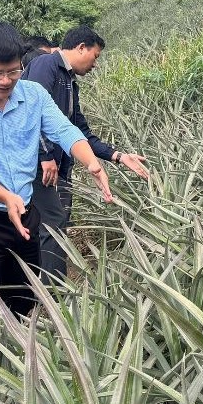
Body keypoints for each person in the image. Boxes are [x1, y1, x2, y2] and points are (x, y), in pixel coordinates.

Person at [0, 21, 113, 351]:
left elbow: (65, 130)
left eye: (13, 71)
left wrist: (92, 162)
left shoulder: (33, 95)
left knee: (22, 295)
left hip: (25, 215)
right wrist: (6, 197)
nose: (6, 81)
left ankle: (17, 361)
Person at [25, 24, 149, 281]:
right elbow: (30, 111)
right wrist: (45, 155)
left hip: (57, 166)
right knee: (53, 222)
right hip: (35, 165)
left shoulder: (70, 82)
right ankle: (52, 291)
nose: (95, 64)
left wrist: (117, 156)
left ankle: (46, 285)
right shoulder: (46, 65)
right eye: (95, 56)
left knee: (54, 224)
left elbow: (80, 132)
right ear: (81, 47)